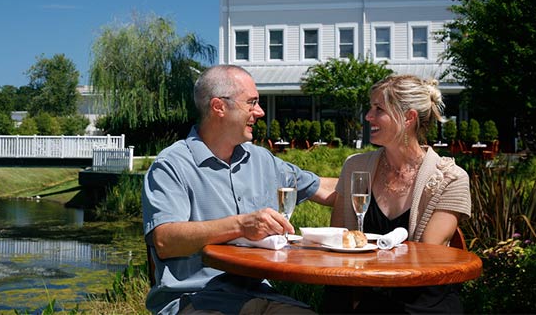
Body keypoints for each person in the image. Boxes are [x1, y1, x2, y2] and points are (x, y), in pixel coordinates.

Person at [142, 64, 335, 315]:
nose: (261, 111)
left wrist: (389, 173)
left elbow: (326, 189)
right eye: (251, 103)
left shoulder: (263, 160)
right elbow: (165, 240)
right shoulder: (171, 164)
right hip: (195, 298)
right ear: (219, 107)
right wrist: (241, 226)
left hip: (259, 293)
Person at [325, 74, 471, 314]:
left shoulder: (451, 178)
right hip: (358, 292)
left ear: (408, 118)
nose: (368, 116)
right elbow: (339, 241)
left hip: (421, 300)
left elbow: (426, 256)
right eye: (370, 108)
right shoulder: (355, 167)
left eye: (378, 109)